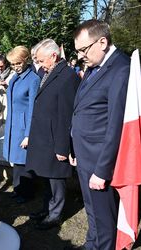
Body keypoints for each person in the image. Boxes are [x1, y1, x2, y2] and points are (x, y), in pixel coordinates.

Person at [69, 19, 130, 250]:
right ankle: (91, 245)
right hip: (85, 156)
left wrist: (102, 170)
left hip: (100, 162)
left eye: (83, 49)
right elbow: (81, 109)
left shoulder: (121, 69)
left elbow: (116, 126)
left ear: (102, 42)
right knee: (92, 210)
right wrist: (74, 147)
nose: (80, 56)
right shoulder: (96, 67)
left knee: (105, 221)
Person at [25, 39, 80, 229]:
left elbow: (66, 116)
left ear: (54, 56)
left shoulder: (67, 77)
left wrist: (62, 147)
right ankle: (47, 209)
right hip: (44, 138)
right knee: (46, 177)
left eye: (41, 60)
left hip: (55, 139)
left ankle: (55, 215)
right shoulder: (49, 72)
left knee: (56, 180)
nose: (39, 65)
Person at [3, 45, 40, 204]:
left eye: (18, 63)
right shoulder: (14, 78)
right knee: (17, 161)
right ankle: (18, 189)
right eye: (12, 64)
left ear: (26, 60)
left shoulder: (33, 79)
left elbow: (33, 108)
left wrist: (28, 134)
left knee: (24, 161)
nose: (15, 67)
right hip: (13, 124)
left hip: (24, 126)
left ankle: (27, 193)